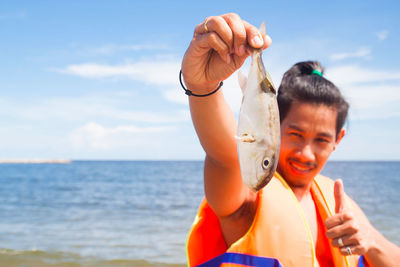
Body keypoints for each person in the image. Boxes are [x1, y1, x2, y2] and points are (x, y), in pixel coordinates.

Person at [181, 13, 400, 267]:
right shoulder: (248, 195)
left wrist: (370, 239)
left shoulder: (335, 200)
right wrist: (203, 86)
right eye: (295, 135)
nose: (305, 154)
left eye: (321, 140)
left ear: (338, 139)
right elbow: (224, 157)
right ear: (272, 125)